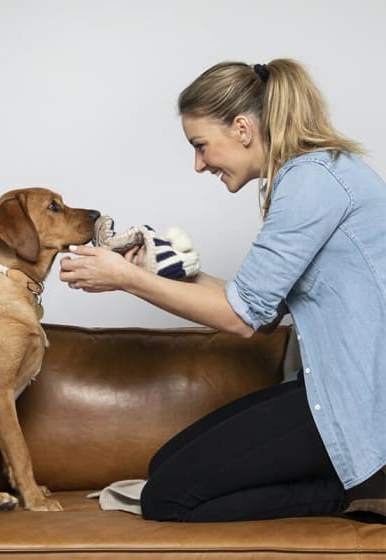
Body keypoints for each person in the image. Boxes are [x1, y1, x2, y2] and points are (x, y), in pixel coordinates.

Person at [59, 59, 386, 522]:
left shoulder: (312, 181)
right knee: (161, 467)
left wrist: (127, 280)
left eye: (200, 146)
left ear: (242, 127)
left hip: (361, 402)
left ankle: (362, 493)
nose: (198, 165)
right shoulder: (315, 175)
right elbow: (263, 307)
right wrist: (168, 272)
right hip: (333, 387)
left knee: (164, 498)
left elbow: (242, 319)